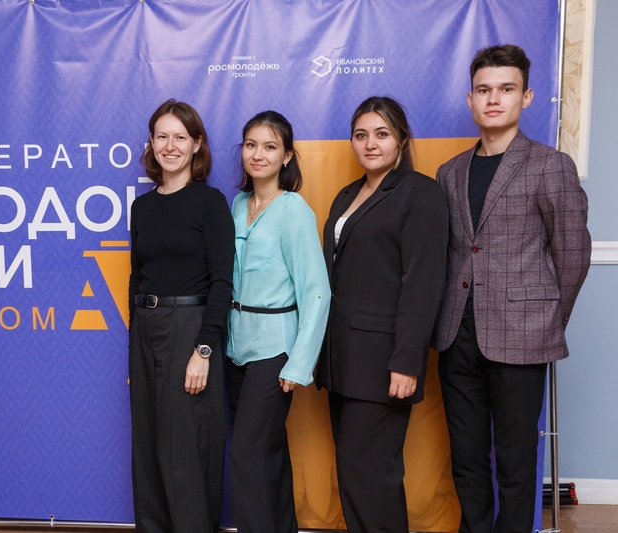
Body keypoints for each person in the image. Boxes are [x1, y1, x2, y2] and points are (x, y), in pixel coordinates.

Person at [433, 44, 591, 533]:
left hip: (523, 334)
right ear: (470, 99)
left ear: (526, 97)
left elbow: (573, 253)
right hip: (456, 333)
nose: (493, 99)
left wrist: (546, 321)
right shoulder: (450, 172)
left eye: (506, 89)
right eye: (483, 90)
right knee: (466, 456)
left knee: (516, 459)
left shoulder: (550, 164)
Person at [315, 96, 449, 532]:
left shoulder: (420, 193)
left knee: (369, 475)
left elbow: (423, 284)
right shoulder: (347, 195)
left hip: (383, 361)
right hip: (341, 358)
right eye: (361, 135)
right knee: (361, 475)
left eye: (382, 134)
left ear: (402, 140)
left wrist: (406, 362)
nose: (370, 144)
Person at [128, 99, 234, 533]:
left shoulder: (210, 203)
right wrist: (135, 341)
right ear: (151, 143)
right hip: (145, 327)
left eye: (180, 137)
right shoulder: (142, 207)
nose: (170, 146)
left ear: (197, 145)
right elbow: (137, 277)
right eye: (162, 136)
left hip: (190, 327)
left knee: (186, 447)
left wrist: (203, 349)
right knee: (148, 443)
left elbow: (222, 282)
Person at [225, 111, 330, 533]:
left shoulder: (294, 210)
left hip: (276, 350)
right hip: (236, 348)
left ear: (287, 156)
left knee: (246, 454)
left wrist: (299, 363)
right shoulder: (238, 205)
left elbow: (316, 291)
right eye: (251, 145)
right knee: (268, 452)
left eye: (270, 146)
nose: (258, 154)